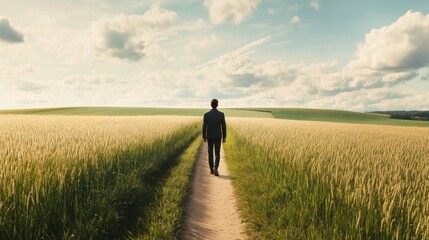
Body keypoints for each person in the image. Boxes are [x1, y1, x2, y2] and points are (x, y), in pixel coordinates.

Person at [202, 99, 226, 176]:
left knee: (210, 152)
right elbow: (224, 126)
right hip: (218, 136)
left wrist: (204, 136)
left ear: (211, 105)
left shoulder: (206, 114)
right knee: (217, 153)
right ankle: (216, 167)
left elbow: (204, 126)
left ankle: (211, 170)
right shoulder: (221, 114)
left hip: (209, 136)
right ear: (217, 105)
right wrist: (224, 136)